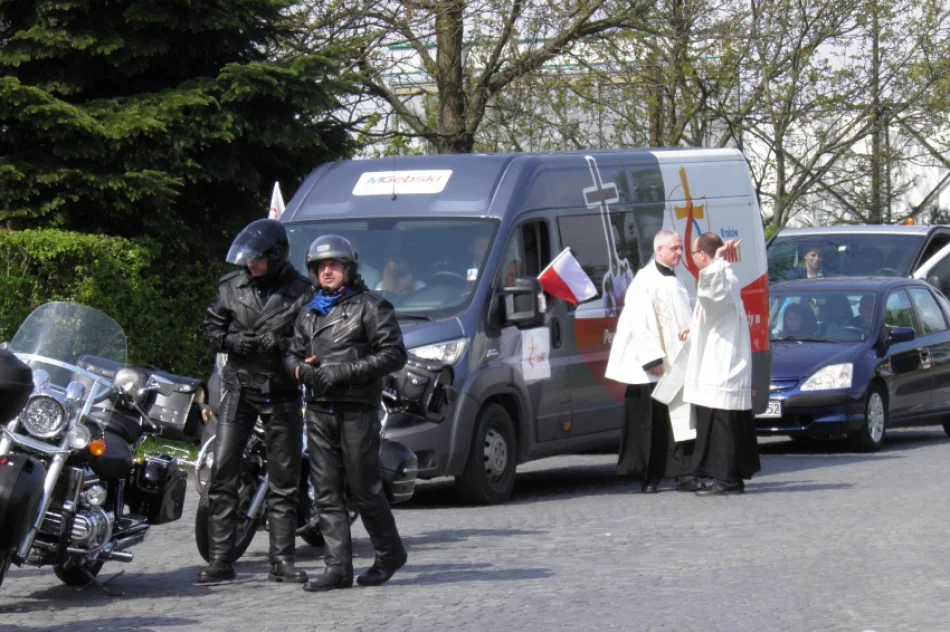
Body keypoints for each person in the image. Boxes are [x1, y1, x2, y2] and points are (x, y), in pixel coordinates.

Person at [285, 234, 409, 592]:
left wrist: (343, 371)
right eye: (321, 266)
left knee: (363, 488)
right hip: (318, 408)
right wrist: (300, 370)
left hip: (356, 408)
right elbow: (291, 353)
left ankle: (390, 553)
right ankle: (337, 568)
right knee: (324, 490)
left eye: (334, 265)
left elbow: (394, 354)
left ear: (349, 268)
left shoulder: (372, 306)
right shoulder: (308, 310)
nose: (327, 271)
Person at [196, 218, 312, 586]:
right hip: (238, 389)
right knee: (223, 470)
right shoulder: (232, 286)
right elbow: (210, 328)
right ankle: (220, 560)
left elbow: (313, 341)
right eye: (248, 258)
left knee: (285, 479)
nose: (251, 264)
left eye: (258, 259)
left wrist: (281, 344)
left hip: (281, 392)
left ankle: (282, 560)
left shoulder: (302, 292)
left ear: (276, 255)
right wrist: (231, 341)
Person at [605, 229, 698, 494]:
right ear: (659, 250)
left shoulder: (677, 278)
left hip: (677, 361)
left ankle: (684, 473)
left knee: (681, 419)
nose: (679, 253)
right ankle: (650, 476)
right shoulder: (644, 281)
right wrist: (651, 357)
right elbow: (638, 321)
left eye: (680, 248)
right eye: (674, 248)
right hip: (654, 366)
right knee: (651, 423)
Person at [680, 233, 760, 496]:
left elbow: (712, 296)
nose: (692, 258)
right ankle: (726, 478)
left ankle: (727, 480)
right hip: (718, 360)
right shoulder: (723, 276)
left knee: (723, 428)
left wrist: (718, 259)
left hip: (721, 364)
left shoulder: (722, 279)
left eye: (693, 253)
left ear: (703, 255)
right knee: (720, 426)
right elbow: (711, 310)